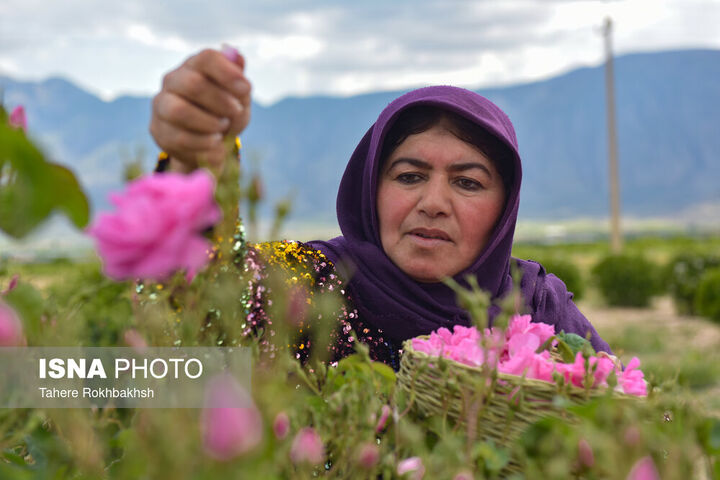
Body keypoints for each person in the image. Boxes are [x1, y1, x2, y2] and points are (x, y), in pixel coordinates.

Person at [149, 47, 612, 369]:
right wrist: (197, 161)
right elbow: (194, 303)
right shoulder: (312, 284)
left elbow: (639, 431)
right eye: (409, 177)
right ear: (370, 190)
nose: (433, 204)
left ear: (503, 209)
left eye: (467, 183)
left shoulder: (534, 306)